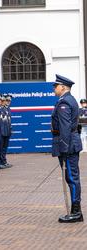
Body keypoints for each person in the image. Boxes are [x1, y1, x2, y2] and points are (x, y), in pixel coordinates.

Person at [51, 74, 83, 223]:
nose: (54, 88)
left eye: (56, 85)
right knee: (71, 177)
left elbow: (65, 127)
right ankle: (75, 210)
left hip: (68, 145)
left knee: (71, 177)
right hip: (70, 143)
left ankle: (76, 212)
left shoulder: (64, 102)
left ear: (63, 87)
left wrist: (63, 148)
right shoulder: (67, 100)